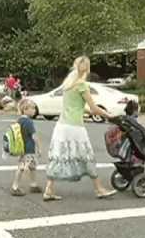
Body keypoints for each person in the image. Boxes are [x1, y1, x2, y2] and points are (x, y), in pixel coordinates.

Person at [43, 56, 117, 201]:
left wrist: (88, 111)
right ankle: (99, 189)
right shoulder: (82, 85)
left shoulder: (68, 85)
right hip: (75, 127)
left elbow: (76, 107)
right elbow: (94, 108)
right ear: (87, 68)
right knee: (86, 156)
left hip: (61, 126)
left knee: (59, 156)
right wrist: (109, 115)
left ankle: (49, 189)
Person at [11, 98, 42, 196]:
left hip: (21, 147)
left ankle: (33, 184)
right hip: (29, 149)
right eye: (32, 108)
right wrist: (39, 147)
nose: (34, 110)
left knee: (32, 167)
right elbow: (34, 136)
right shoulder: (29, 122)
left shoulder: (19, 120)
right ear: (25, 109)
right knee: (22, 167)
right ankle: (15, 186)